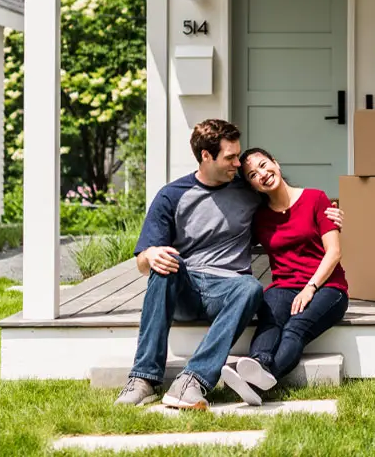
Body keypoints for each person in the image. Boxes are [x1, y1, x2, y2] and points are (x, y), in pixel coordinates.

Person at [114, 119, 343, 410]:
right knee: (163, 261)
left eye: (239, 156)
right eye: (230, 157)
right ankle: (143, 378)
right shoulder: (171, 196)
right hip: (187, 286)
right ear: (206, 156)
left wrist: (330, 214)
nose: (238, 162)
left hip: (230, 289)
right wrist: (149, 257)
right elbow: (141, 262)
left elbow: (290, 203)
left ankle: (192, 381)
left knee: (250, 287)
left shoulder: (248, 188)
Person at [219, 147, 350, 406]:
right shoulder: (259, 218)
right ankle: (257, 365)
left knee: (294, 328)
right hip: (284, 286)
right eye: (253, 174)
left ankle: (262, 378)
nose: (262, 174)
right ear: (252, 186)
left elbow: (334, 252)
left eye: (264, 164)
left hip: (327, 286)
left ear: (276, 163)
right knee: (270, 321)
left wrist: (310, 288)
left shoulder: (316, 199)